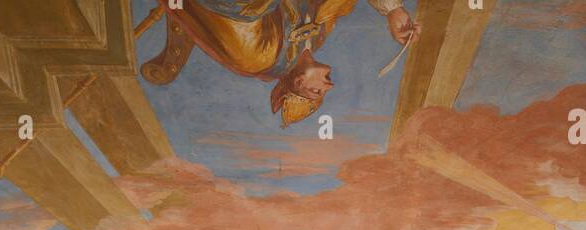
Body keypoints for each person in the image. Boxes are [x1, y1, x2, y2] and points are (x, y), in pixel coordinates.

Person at [141, 0, 420, 126]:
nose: (330, 85)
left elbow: (233, 7)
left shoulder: (255, 57)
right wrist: (393, 10)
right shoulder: (317, 36)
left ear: (297, 83)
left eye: (317, 91)